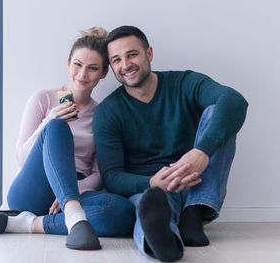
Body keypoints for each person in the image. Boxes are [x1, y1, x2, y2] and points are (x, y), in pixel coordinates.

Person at [0, 27, 135, 250]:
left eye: (92, 68)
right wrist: (48, 121)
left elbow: (98, 174)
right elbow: (21, 158)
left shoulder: (102, 114)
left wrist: (69, 194)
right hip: (34, 188)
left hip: (74, 192)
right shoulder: (43, 99)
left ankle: (26, 224)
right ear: (68, 64)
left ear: (103, 73)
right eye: (77, 65)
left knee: (122, 212)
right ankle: (74, 216)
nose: (82, 74)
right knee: (57, 127)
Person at [94, 26, 248, 261]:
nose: (125, 65)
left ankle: (194, 213)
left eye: (132, 54)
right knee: (149, 210)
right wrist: (152, 181)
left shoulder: (184, 82)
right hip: (153, 188)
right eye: (116, 60)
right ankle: (166, 242)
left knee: (220, 113)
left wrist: (201, 152)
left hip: (198, 180)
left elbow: (235, 101)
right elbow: (112, 176)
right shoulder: (108, 111)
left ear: (149, 53)